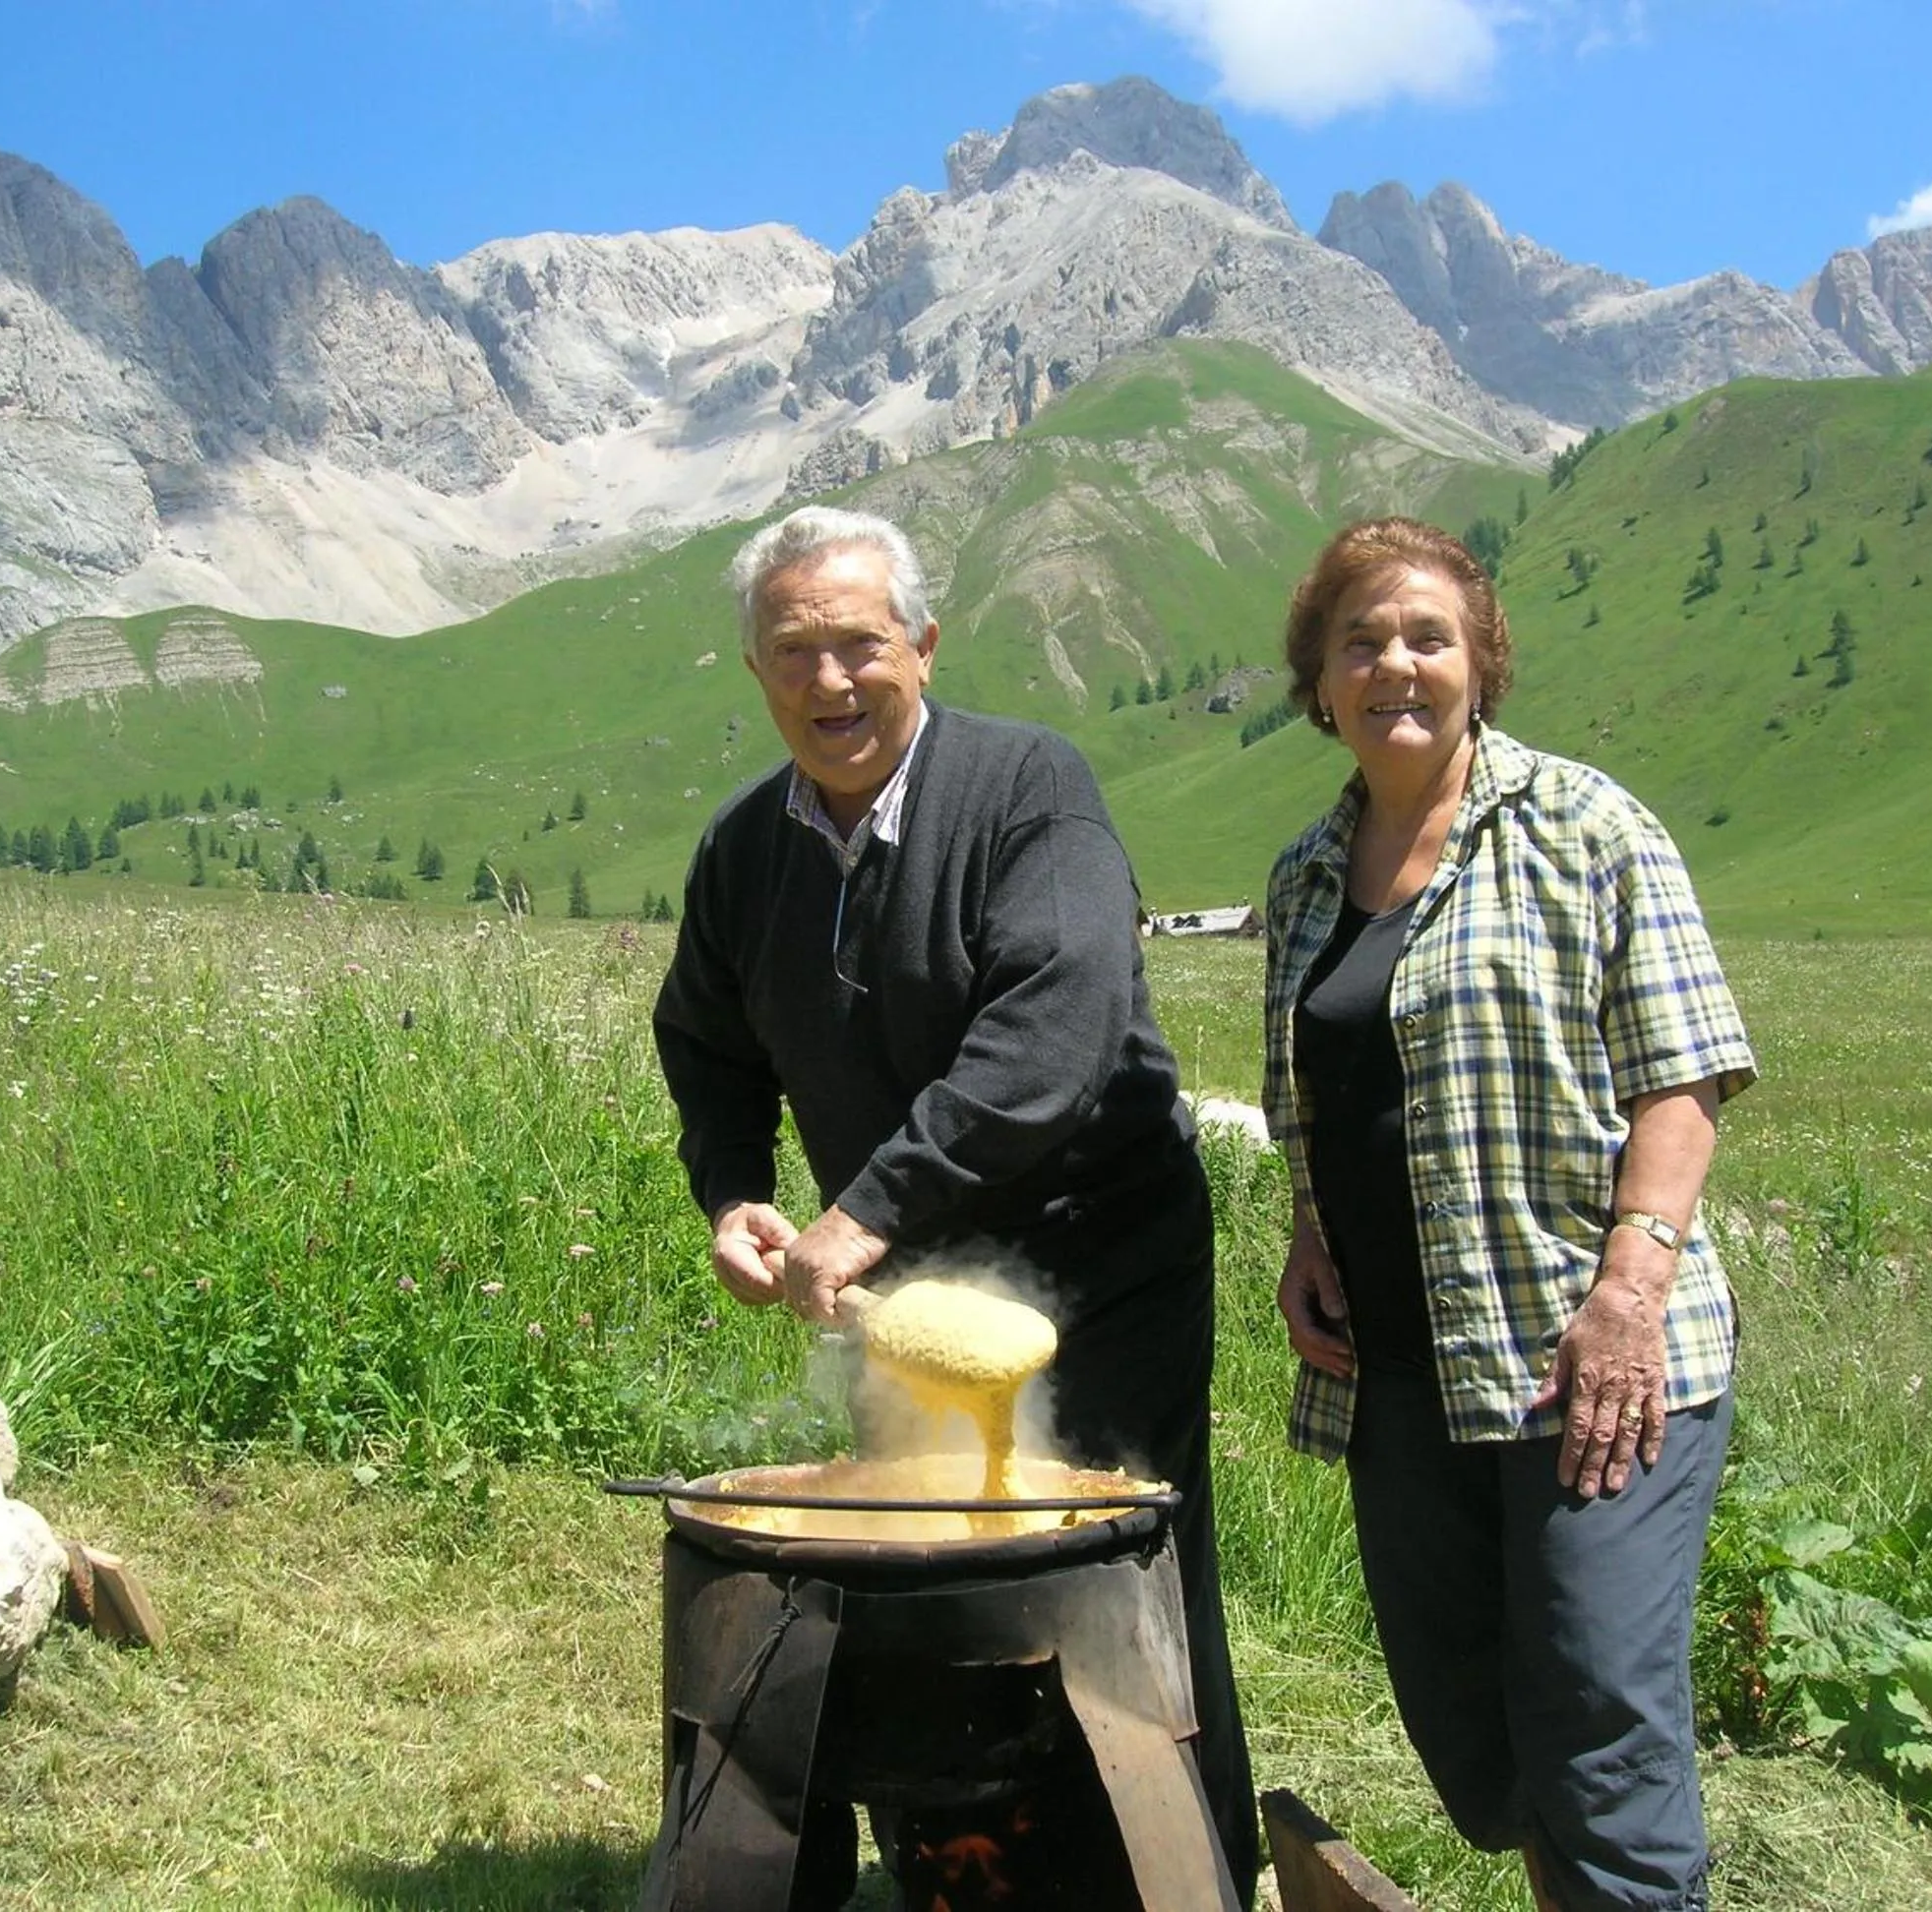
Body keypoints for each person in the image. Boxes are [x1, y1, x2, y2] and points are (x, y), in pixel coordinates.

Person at [652, 504, 1258, 1902]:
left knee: (1103, 1579)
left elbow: (1064, 1017)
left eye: (860, 645)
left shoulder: (1029, 791)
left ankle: (1155, 1871)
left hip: (1091, 1274)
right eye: (794, 652)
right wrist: (737, 1190)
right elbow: (706, 1039)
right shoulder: (747, 852)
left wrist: (867, 1205)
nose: (830, 682)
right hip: (910, 1303)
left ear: (922, 645)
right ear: (756, 672)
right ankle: (958, 1864)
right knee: (928, 1567)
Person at [1259, 517, 1756, 1912]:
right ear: (1321, 680)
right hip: (1405, 1375)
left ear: (1482, 663)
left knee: (1596, 1708)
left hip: (1588, 1359)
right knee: (1472, 1722)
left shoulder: (1585, 827)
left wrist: (1632, 1293)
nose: (1394, 663)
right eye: (1361, 640)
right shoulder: (1307, 873)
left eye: (1428, 635)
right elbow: (1331, 1085)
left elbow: (1685, 1072)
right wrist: (1311, 1233)